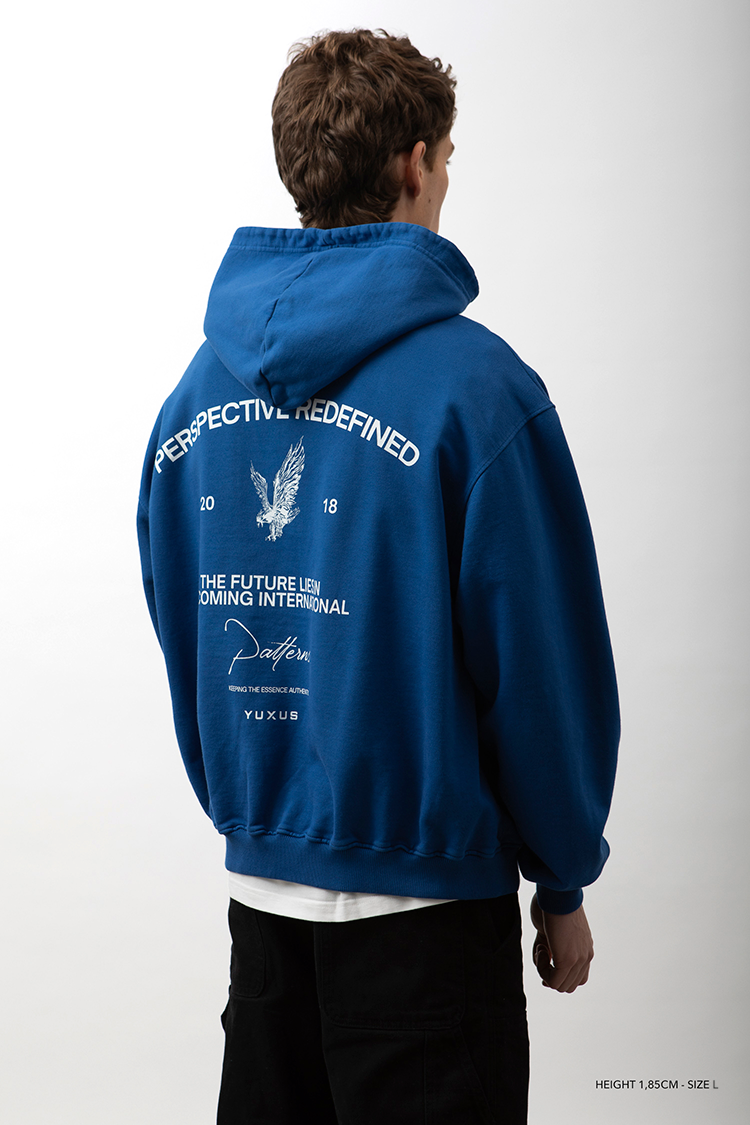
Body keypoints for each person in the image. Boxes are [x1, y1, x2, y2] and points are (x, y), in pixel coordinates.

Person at [137, 28, 619, 1125]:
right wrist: (564, 877)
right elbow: (538, 665)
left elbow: (181, 617)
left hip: (264, 908)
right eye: (446, 160)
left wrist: (258, 800)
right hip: (428, 925)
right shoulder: (479, 393)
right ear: (414, 163)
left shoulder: (194, 397)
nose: (445, 181)